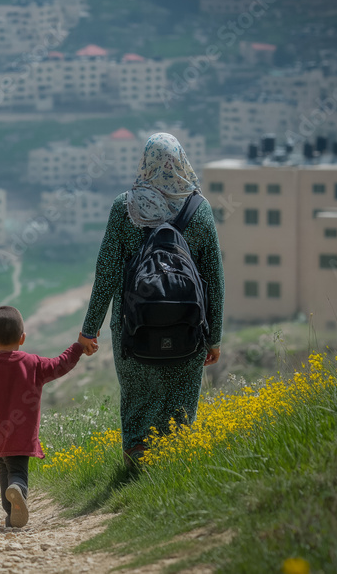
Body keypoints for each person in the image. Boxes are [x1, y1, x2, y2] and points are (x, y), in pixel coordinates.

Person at [77, 132, 224, 468]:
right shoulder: (200, 212)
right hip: (189, 333)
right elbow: (214, 280)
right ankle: (175, 472)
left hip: (133, 331)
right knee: (179, 408)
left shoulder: (124, 207)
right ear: (182, 162)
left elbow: (107, 273)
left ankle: (136, 468)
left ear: (144, 162)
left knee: (138, 404)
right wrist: (214, 337)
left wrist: (90, 329)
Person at [0, 305, 89, 527]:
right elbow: (62, 364)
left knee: (4, 469)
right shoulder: (35, 364)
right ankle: (18, 491)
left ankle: (11, 514)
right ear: (22, 338)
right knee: (18, 474)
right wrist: (79, 346)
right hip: (21, 437)